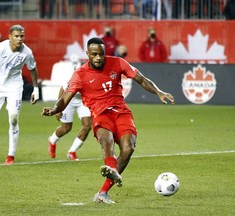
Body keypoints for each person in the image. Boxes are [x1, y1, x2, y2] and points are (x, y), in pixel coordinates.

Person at [41, 37, 175, 204]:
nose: (98, 58)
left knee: (128, 148)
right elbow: (65, 98)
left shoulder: (118, 63)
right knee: (107, 141)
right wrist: (55, 109)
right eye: (95, 54)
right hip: (100, 114)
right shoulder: (80, 75)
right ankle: (111, 168)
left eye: (101, 54)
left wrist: (159, 92)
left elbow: (141, 79)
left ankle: (103, 192)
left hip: (121, 112)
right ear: (87, 54)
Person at [0, 24, 39, 165]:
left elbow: (33, 69)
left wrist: (35, 89)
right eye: (17, 36)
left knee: (13, 119)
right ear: (10, 37)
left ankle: (11, 155)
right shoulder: (0, 48)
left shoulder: (27, 52)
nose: (20, 39)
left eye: (22, 36)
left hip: (14, 87)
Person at [48, 55, 92, 161]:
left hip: (82, 101)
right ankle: (52, 140)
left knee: (88, 125)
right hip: (69, 99)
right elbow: (63, 89)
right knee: (66, 128)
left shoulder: (93, 77)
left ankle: (72, 151)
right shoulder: (76, 76)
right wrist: (58, 108)